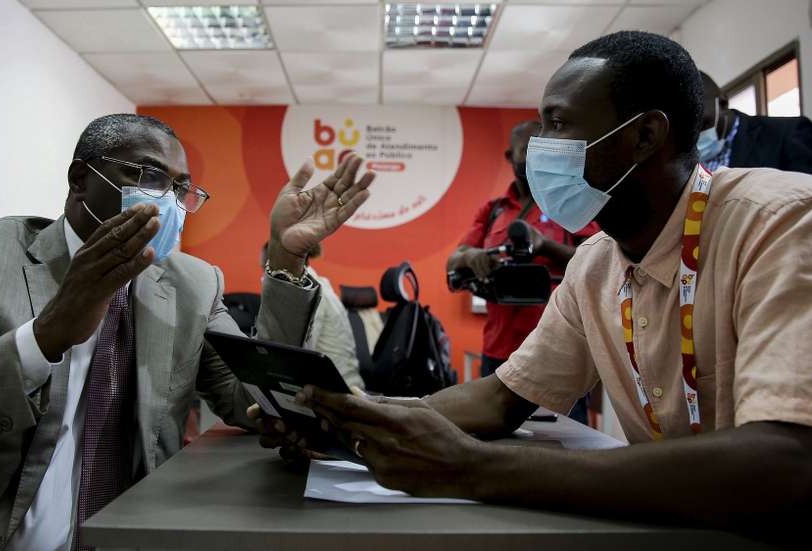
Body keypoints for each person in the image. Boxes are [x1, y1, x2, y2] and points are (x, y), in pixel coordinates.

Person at [290, 31, 812, 538]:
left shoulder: (782, 222)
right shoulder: (594, 263)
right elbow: (500, 400)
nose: (537, 149)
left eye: (558, 123)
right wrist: (347, 421)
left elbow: (784, 461)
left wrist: (471, 468)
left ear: (645, 136)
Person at [0, 114, 373, 551]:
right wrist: (43, 338)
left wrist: (285, 255)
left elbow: (248, 393)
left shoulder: (190, 283)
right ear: (80, 180)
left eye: (182, 189)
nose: (169, 201)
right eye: (149, 176)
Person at [448, 121, 598, 382]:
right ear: (510, 156)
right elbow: (454, 261)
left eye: (543, 151)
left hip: (559, 350)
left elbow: (600, 262)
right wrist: (473, 257)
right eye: (528, 150)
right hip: (499, 348)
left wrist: (545, 246)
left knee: (561, 424)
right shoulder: (492, 210)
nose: (535, 158)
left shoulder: (571, 203)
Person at [261, 242, 365, 390]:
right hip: (340, 387)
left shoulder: (309, 295)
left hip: (341, 392)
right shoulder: (317, 286)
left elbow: (298, 356)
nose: (266, 277)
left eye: (266, 271)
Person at [698, 71, 812, 173]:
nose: (696, 136)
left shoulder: (787, 133)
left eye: (702, 124)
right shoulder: (690, 163)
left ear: (723, 103)